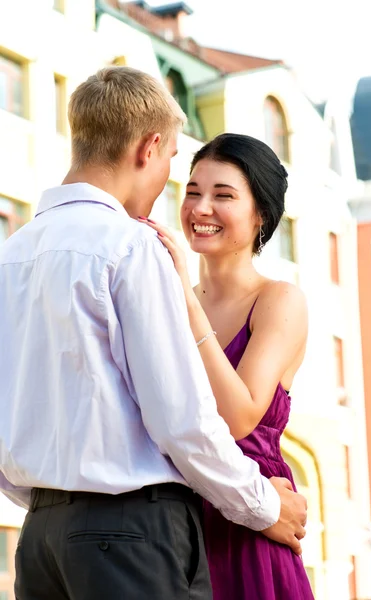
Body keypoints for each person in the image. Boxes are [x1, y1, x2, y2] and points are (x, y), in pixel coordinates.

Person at [0, 68, 307, 600]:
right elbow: (180, 420)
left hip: (43, 537)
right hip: (137, 529)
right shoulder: (130, 247)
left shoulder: (12, 254)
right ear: (150, 147)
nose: (189, 201)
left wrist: (56, 503)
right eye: (180, 177)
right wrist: (265, 506)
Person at [141, 132, 314, 599]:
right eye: (193, 191)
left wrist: (186, 304)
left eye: (223, 196)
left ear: (261, 213)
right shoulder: (167, 297)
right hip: (175, 514)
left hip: (255, 517)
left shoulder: (279, 300)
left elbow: (238, 416)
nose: (200, 208)